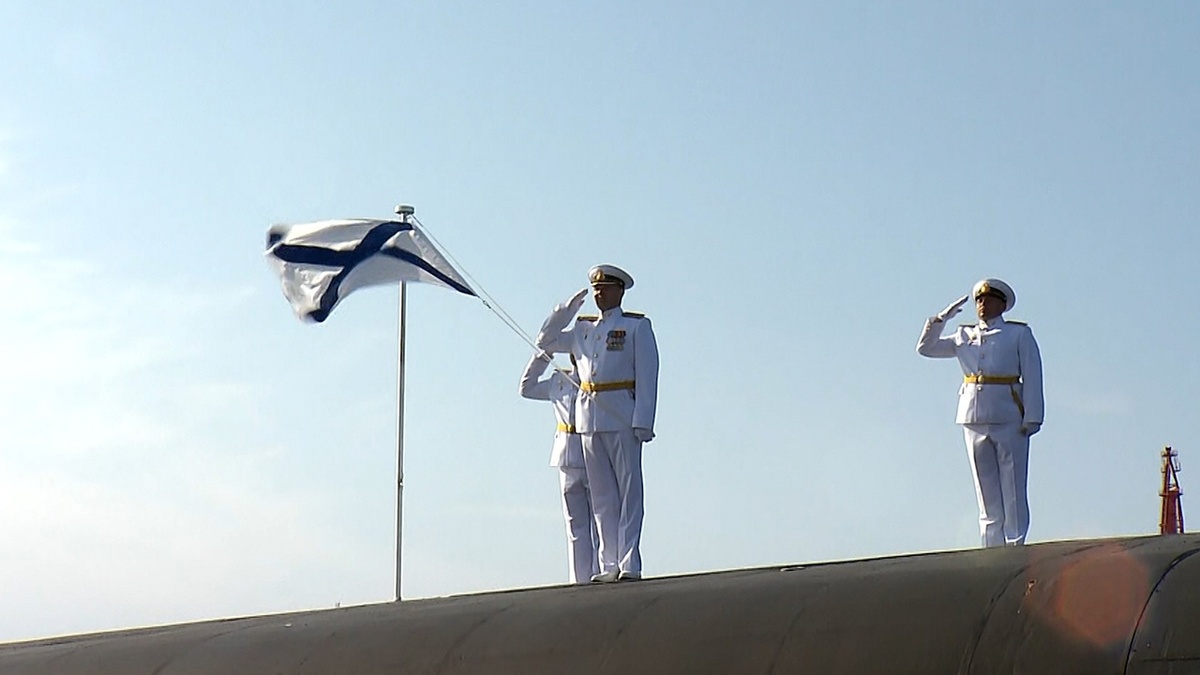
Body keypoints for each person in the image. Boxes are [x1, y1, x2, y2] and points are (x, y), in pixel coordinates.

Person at [538, 264, 659, 582]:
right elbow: (545, 341)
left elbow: (648, 375)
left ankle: (629, 561)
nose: (599, 294)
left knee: (629, 491)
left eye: (604, 288)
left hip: (621, 414)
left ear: (620, 291)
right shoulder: (583, 329)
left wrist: (644, 419)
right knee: (603, 496)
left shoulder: (635, 327)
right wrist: (563, 312)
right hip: (588, 419)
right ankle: (609, 563)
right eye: (595, 289)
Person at [917, 278, 1044, 547]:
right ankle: (991, 545)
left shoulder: (1018, 334)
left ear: (1002, 304)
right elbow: (926, 348)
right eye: (979, 300)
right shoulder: (964, 335)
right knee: (985, 488)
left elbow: (1033, 375)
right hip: (973, 416)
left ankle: (1015, 542)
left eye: (988, 299)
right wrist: (941, 319)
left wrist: (1033, 416)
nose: (982, 304)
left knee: (1012, 486)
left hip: (1009, 415)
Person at [518, 289, 599, 584]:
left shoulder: (599, 385)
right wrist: (562, 314)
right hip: (566, 457)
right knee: (574, 524)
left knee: (599, 521)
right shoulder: (559, 382)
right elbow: (526, 387)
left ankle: (601, 575)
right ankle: (579, 579)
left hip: (593, 453)